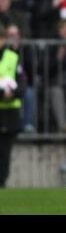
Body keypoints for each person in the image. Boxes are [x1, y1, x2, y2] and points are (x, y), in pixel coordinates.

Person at [0, 24, 25, 187]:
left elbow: (22, 85)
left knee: (4, 150)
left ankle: (2, 181)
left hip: (9, 111)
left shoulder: (13, 57)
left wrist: (12, 94)